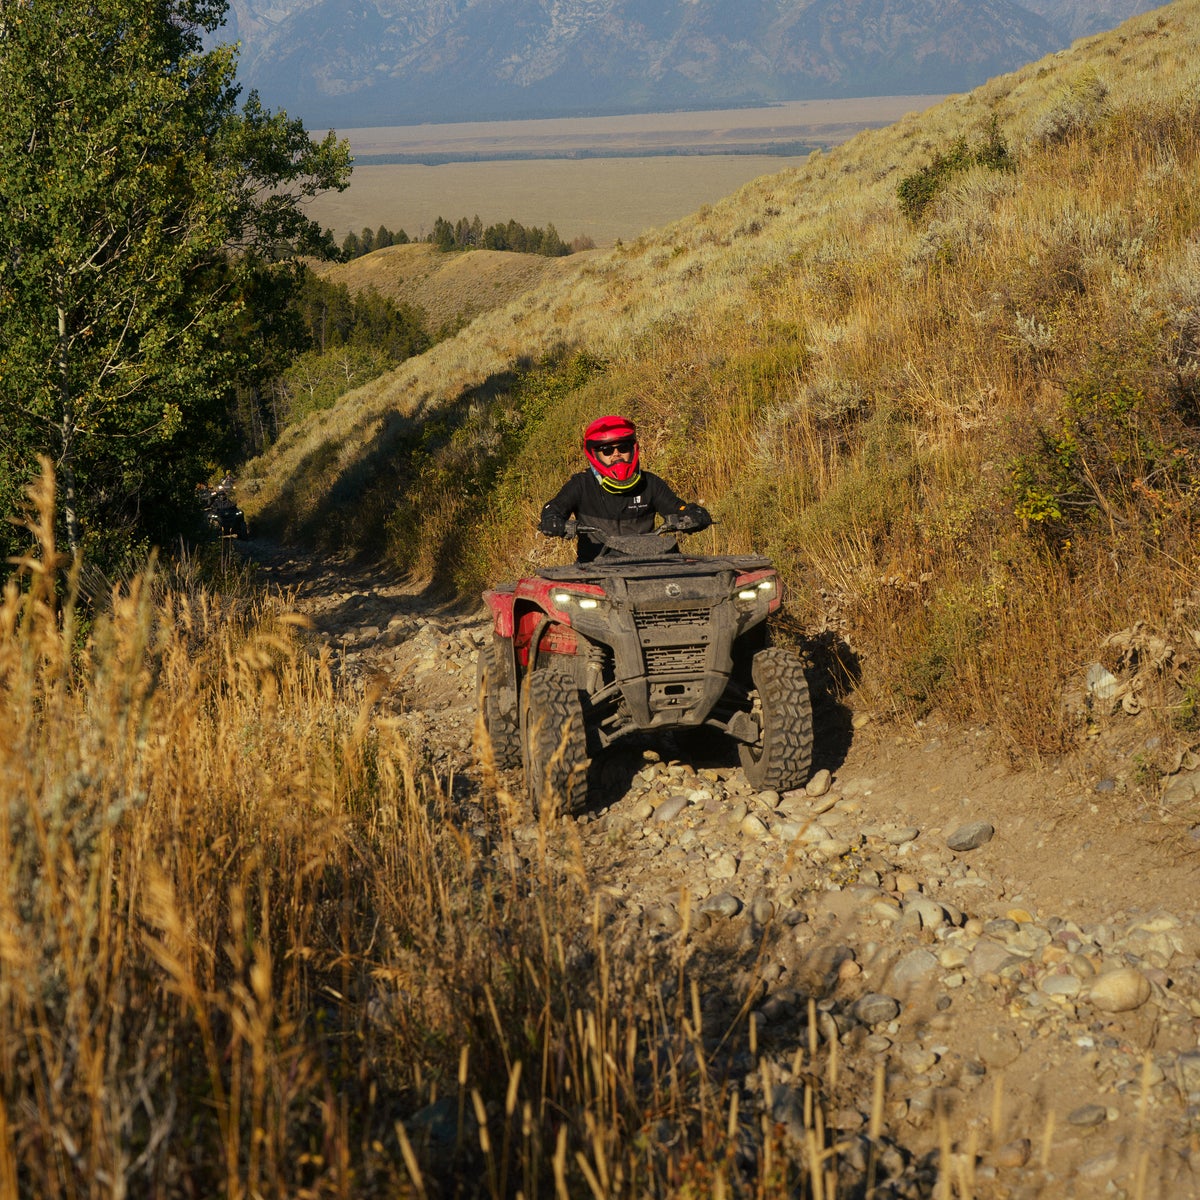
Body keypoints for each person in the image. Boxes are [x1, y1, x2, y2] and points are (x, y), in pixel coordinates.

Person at [538, 414, 712, 562]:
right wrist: (553, 521)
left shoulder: (650, 483)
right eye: (607, 450)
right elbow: (553, 509)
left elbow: (677, 508)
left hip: (648, 564)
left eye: (623, 447)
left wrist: (693, 514)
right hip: (595, 569)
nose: (616, 454)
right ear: (595, 455)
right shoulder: (581, 484)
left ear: (633, 449)